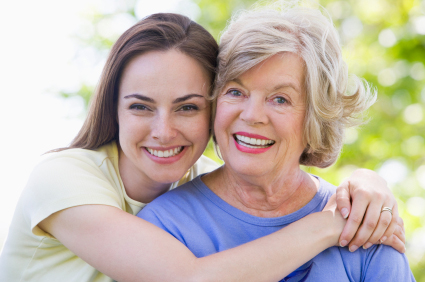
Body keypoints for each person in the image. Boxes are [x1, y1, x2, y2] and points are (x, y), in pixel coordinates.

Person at [0, 12, 404, 282]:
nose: (164, 131)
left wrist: (369, 185)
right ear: (113, 108)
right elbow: (189, 279)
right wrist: (332, 224)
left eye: (187, 107)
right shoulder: (62, 179)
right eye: (141, 106)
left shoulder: (191, 174)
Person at [138, 6, 414, 282]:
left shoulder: (365, 221)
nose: (252, 115)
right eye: (236, 91)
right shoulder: (164, 226)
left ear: (315, 117)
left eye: (280, 99)